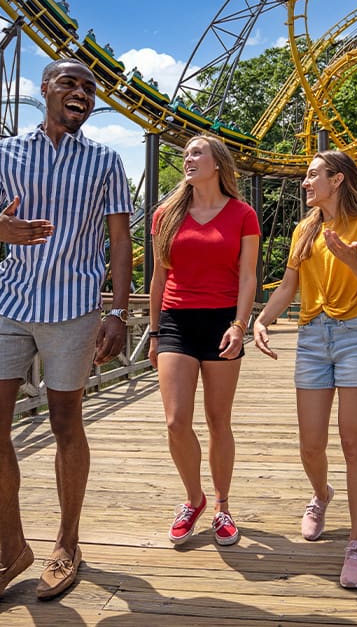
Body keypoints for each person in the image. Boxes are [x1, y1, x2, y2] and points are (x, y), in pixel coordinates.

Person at [0, 59, 133, 615]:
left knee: (65, 421)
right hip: (10, 303)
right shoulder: (6, 153)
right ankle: (10, 550)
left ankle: (67, 543)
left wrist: (120, 312)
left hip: (75, 308)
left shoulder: (106, 160)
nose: (81, 91)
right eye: (70, 83)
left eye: (89, 86)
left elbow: (121, 244)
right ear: (46, 90)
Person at [253, 150, 357, 589]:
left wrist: (350, 259)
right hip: (313, 337)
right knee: (310, 444)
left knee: (353, 442)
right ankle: (321, 494)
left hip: (354, 334)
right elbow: (289, 286)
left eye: (313, 175)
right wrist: (260, 319)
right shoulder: (304, 228)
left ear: (337, 179)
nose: (305, 182)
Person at [148, 134, 260, 548]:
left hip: (221, 322)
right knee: (176, 421)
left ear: (218, 163)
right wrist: (155, 331)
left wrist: (240, 323)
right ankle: (193, 499)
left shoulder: (243, 214)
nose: (188, 158)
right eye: (186, 153)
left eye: (197, 152)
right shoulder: (167, 214)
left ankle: (222, 505)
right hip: (176, 320)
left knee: (218, 421)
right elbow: (159, 277)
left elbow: (248, 276)